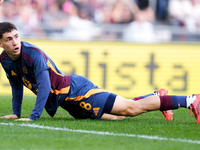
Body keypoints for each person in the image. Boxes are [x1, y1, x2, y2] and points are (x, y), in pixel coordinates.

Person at [0, 22, 199, 124]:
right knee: (118, 117)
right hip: (68, 103)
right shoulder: (5, 61)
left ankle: (190, 100)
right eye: (9, 39)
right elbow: (16, 85)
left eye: (16, 36)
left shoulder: (33, 54)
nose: (15, 42)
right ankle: (156, 97)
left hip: (77, 91)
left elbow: (44, 86)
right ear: (1, 43)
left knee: (131, 109)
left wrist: (34, 117)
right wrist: (16, 113)